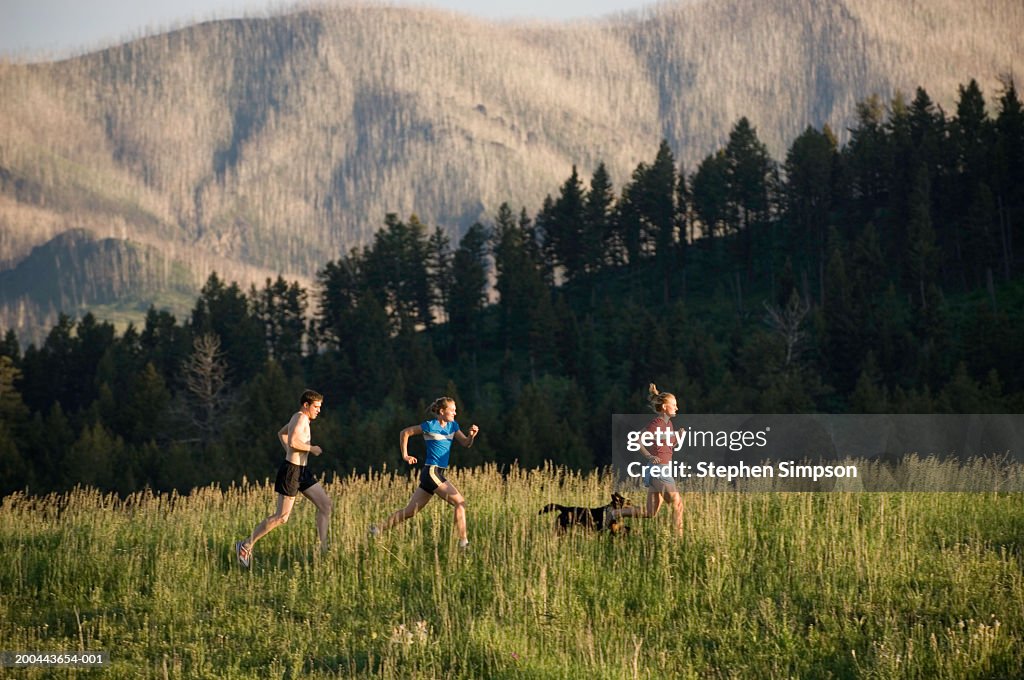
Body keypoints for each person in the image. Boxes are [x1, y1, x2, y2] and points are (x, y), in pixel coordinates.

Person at [236, 389, 332, 568]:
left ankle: (323, 548)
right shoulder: (301, 418)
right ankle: (246, 545)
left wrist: (291, 453)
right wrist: (312, 449)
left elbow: (282, 434)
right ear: (306, 405)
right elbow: (293, 442)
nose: (319, 410)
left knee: (325, 505)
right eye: (316, 407)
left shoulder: (299, 419)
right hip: (292, 472)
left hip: (302, 472)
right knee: (282, 517)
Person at [370, 397, 479, 548]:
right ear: (442, 411)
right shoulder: (430, 425)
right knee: (459, 502)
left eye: (455, 410)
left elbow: (466, 443)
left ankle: (377, 530)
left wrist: (471, 436)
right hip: (432, 472)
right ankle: (463, 543)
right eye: (452, 410)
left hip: (434, 474)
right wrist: (405, 455)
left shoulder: (453, 426)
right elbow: (405, 432)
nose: (455, 413)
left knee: (410, 511)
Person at [610, 383, 684, 535]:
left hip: (662, 469)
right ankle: (679, 541)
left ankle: (614, 514)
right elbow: (638, 439)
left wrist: (678, 437)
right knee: (677, 503)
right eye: (674, 405)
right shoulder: (656, 424)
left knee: (650, 512)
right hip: (658, 470)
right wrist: (650, 456)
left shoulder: (668, 424)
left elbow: (668, 446)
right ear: (664, 407)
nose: (677, 408)